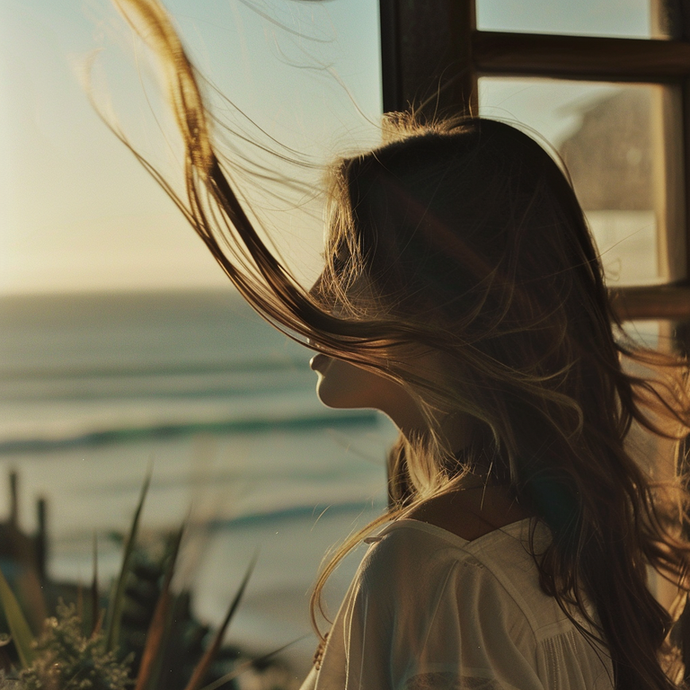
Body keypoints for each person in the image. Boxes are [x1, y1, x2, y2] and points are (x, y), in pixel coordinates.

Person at [108, 1, 690, 687]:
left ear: (447, 305)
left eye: (346, 261)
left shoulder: (439, 570)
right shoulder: (558, 541)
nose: (318, 292)